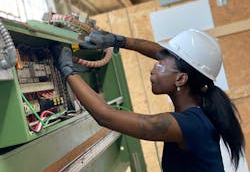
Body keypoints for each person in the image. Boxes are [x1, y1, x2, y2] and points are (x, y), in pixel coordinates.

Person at [52, 29, 245, 172]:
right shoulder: (198, 110)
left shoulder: (188, 125)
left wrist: (67, 70)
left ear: (181, 79)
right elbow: (162, 53)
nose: (154, 68)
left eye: (160, 65)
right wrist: (120, 41)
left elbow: (106, 117)